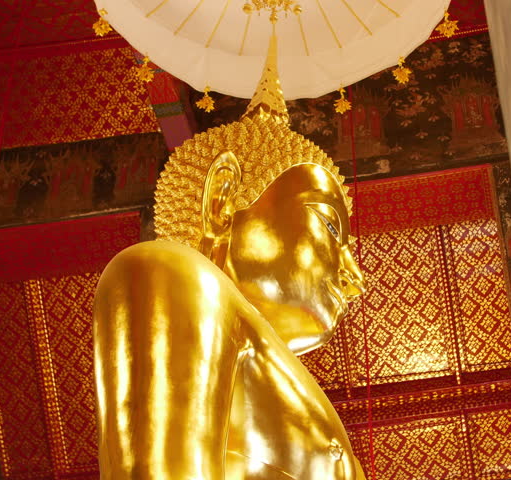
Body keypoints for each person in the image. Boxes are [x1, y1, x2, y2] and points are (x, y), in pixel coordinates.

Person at [93, 36, 367, 480]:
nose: (353, 274)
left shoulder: (300, 390)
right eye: (331, 227)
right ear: (223, 199)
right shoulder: (175, 276)